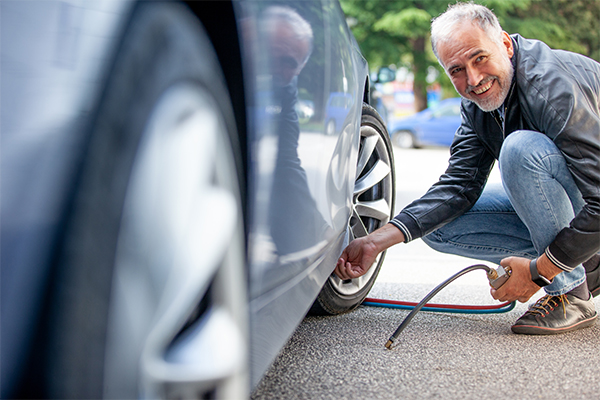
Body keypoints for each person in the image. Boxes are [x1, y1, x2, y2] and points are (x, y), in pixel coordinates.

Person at [335, 2, 600, 335]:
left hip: (594, 208)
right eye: (456, 70)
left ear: (504, 44)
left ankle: (570, 294)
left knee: (520, 150)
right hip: (584, 227)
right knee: (437, 225)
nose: (473, 79)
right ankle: (576, 263)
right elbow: (458, 186)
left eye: (479, 58)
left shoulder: (550, 86)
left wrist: (539, 272)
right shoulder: (478, 106)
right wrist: (376, 241)